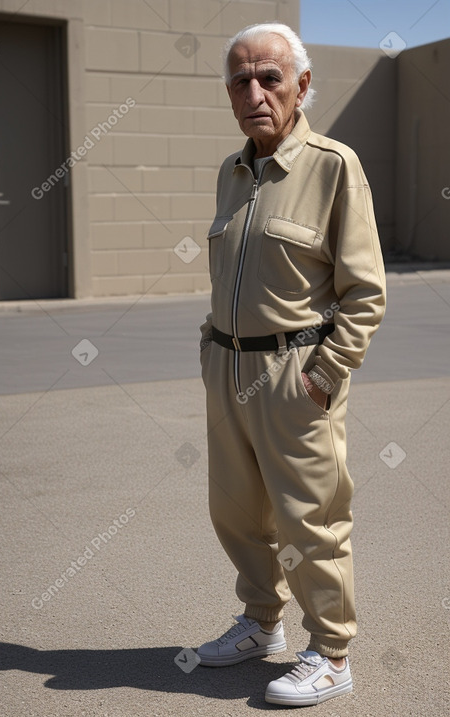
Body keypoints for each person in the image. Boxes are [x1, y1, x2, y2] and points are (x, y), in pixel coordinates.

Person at [197, 22, 386, 707]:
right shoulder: (232, 170)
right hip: (228, 369)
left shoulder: (335, 165)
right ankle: (260, 624)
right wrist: (209, 350)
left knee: (311, 516)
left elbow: (365, 292)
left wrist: (325, 373)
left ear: (301, 85)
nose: (255, 91)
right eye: (240, 80)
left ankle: (332, 651)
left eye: (269, 77)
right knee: (237, 511)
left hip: (294, 373)